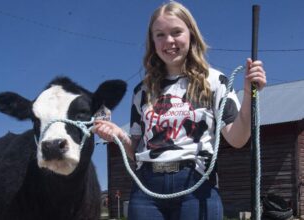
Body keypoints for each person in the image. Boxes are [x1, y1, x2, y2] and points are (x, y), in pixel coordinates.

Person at [93, 1, 266, 220]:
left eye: (176, 32)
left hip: (197, 185)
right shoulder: (142, 91)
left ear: (191, 34)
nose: (169, 41)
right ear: (152, 41)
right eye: (160, 35)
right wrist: (118, 135)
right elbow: (136, 152)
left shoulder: (215, 81)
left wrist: (251, 94)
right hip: (146, 190)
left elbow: (238, 138)